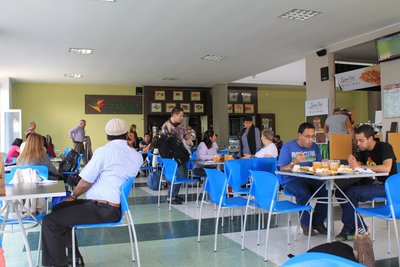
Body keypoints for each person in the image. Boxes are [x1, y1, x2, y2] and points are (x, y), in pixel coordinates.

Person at [41, 118, 143, 267]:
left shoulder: (104, 152)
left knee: (50, 221)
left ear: (107, 135)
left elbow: (86, 181)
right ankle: (74, 258)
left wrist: (73, 196)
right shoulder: (137, 156)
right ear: (126, 134)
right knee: (59, 209)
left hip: (102, 209)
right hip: (115, 208)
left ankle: (57, 264)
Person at [335, 124, 397, 241]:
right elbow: (362, 168)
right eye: (356, 141)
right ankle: (358, 225)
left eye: (361, 141)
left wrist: (361, 166)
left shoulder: (384, 147)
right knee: (340, 191)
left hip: (386, 185)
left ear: (370, 139)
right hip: (370, 182)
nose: (358, 144)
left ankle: (350, 227)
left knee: (352, 193)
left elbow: (386, 168)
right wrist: (353, 163)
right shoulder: (362, 150)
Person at [278, 122, 328, 235]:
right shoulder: (288, 147)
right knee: (304, 193)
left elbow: (319, 164)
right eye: (307, 136)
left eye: (312, 137)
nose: (310, 140)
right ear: (299, 135)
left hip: (312, 178)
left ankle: (318, 222)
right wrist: (294, 162)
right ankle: (306, 224)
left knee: (327, 191)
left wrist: (324, 163)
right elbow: (281, 168)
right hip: (291, 180)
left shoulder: (315, 147)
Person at [160, 106, 192, 205]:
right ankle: (171, 197)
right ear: (174, 115)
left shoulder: (180, 125)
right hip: (173, 156)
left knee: (182, 175)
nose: (182, 118)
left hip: (182, 153)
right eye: (180, 116)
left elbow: (186, 134)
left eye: (183, 116)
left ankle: (174, 194)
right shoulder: (166, 126)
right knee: (178, 175)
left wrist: (189, 139)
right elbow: (167, 141)